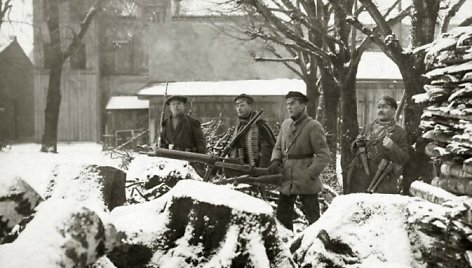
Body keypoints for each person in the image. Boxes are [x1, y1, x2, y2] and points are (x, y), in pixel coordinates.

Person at [268, 91, 330, 230]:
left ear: (303, 105)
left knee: (313, 218)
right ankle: (286, 244)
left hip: (305, 177)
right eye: (287, 104)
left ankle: (316, 245)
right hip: (287, 175)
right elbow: (277, 147)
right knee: (282, 217)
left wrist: (310, 173)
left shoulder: (313, 126)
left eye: (293, 103)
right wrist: (275, 160)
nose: (289, 107)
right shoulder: (285, 124)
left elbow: (324, 155)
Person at [347, 95, 409, 194]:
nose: (381, 110)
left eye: (385, 107)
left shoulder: (399, 132)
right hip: (360, 178)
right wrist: (356, 144)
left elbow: (404, 158)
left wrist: (392, 147)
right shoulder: (368, 128)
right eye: (379, 107)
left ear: (393, 110)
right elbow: (354, 150)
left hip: (381, 180)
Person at [228, 94, 276, 169]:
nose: (239, 109)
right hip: (241, 169)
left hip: (255, 169)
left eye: (242, 105)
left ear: (251, 106)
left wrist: (261, 170)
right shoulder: (239, 125)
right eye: (237, 106)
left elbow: (267, 150)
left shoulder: (260, 125)